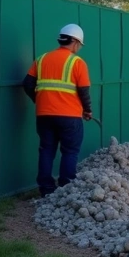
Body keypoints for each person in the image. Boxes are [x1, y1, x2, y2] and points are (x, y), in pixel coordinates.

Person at [23, 23, 92, 196]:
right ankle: (66, 188)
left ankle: (46, 189)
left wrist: (38, 100)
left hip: (44, 115)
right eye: (79, 45)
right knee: (70, 151)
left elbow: (27, 84)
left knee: (46, 149)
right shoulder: (77, 62)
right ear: (75, 42)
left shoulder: (42, 59)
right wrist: (88, 110)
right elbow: (84, 90)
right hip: (69, 117)